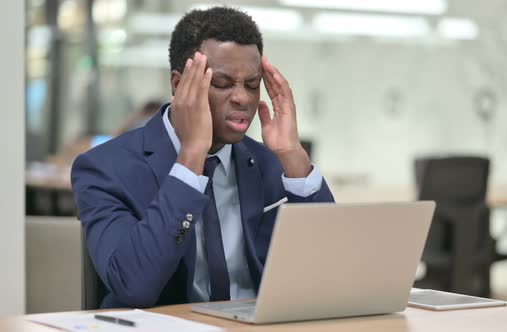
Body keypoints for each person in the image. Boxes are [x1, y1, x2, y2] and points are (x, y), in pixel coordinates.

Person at [71, 6, 334, 309]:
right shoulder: (105, 169)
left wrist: (294, 157)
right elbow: (134, 287)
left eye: (251, 85)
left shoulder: (271, 163)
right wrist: (192, 157)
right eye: (222, 84)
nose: (242, 98)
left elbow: (333, 271)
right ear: (179, 84)